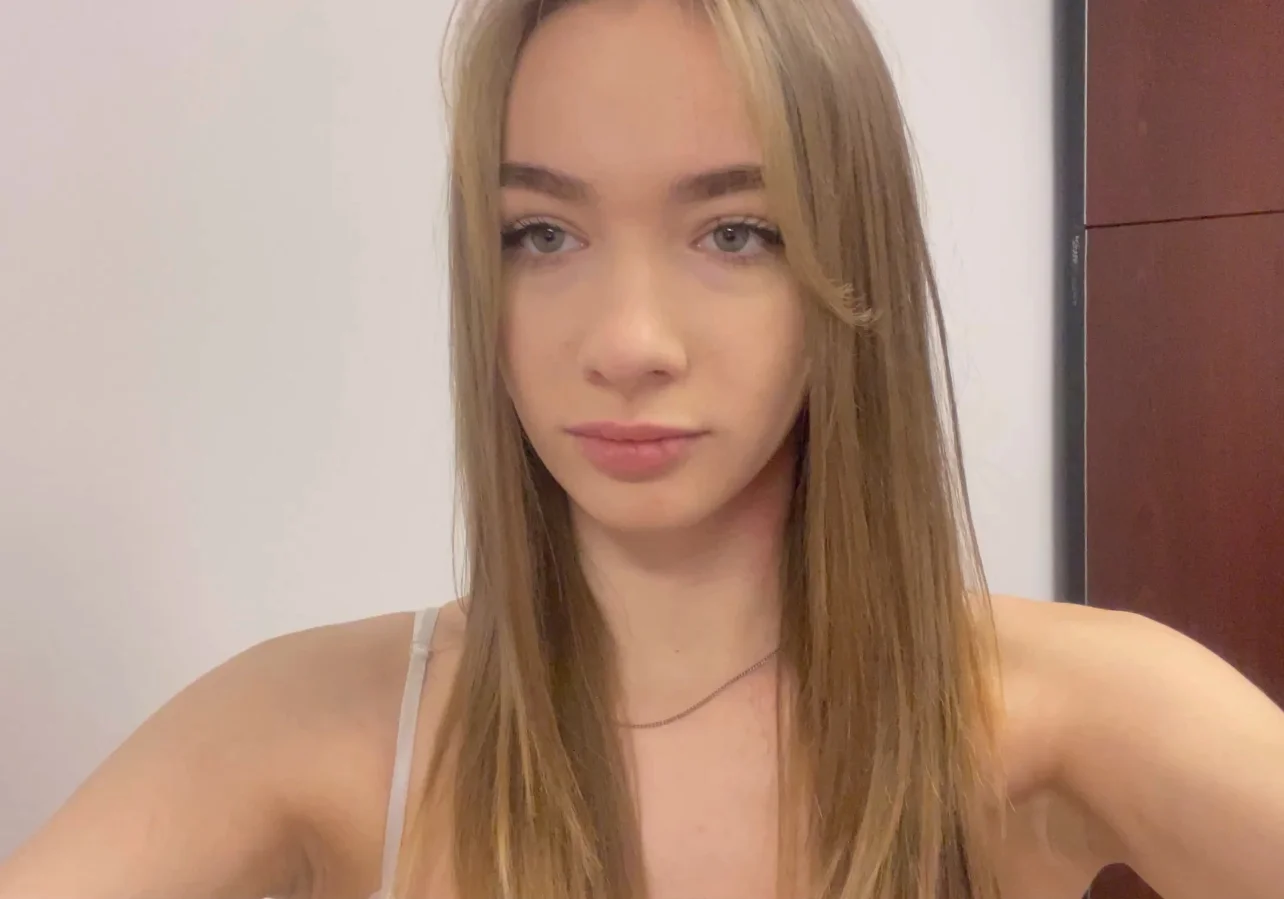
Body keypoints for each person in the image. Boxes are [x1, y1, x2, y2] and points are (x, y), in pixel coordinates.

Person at [3, 1, 1282, 897]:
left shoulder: (1075, 715)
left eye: (734, 233)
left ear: (849, 265)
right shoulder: (311, 732)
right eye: (543, 235)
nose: (625, 341)